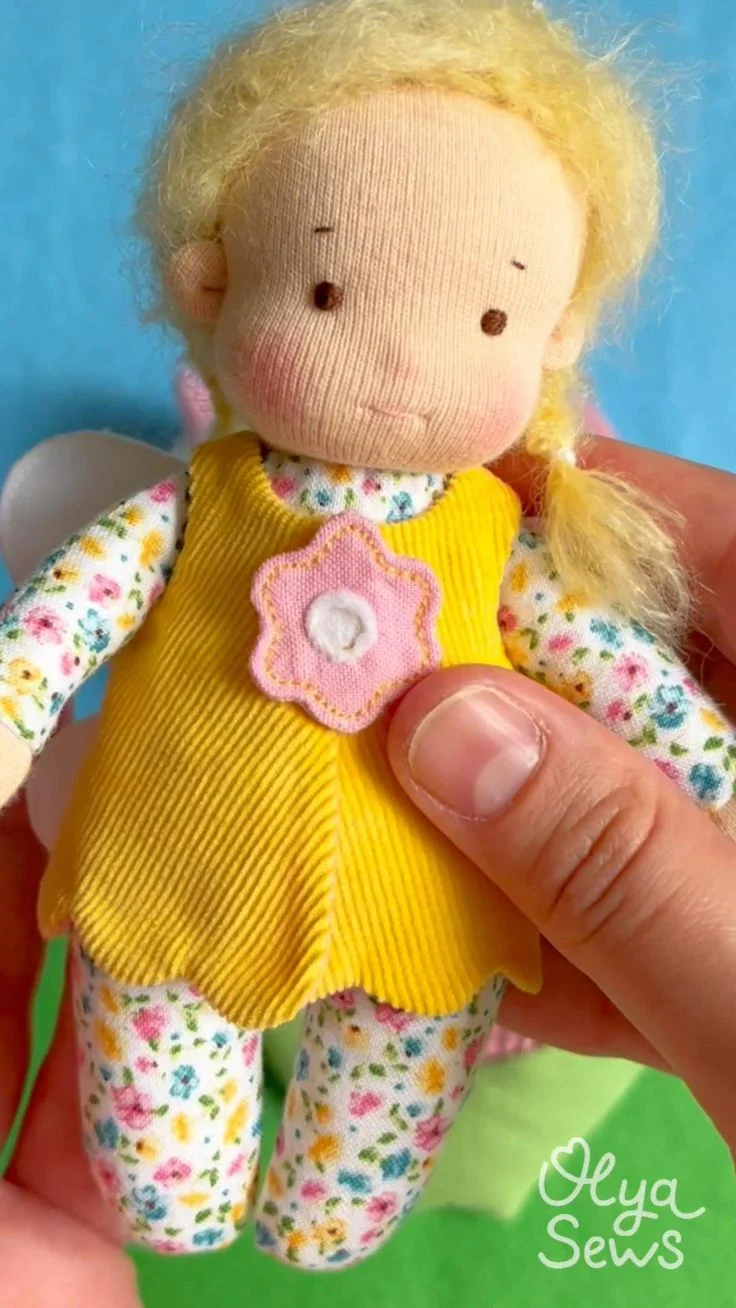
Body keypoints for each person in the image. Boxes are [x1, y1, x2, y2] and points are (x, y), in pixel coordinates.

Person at [1, 436, 734, 1304]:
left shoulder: (494, 532)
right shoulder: (203, 497)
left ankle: (325, 1212)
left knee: (382, 1098)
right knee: (157, 1094)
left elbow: (609, 662)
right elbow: (76, 604)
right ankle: (175, 1192)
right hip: (168, 880)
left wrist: (711, 778)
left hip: (422, 913)